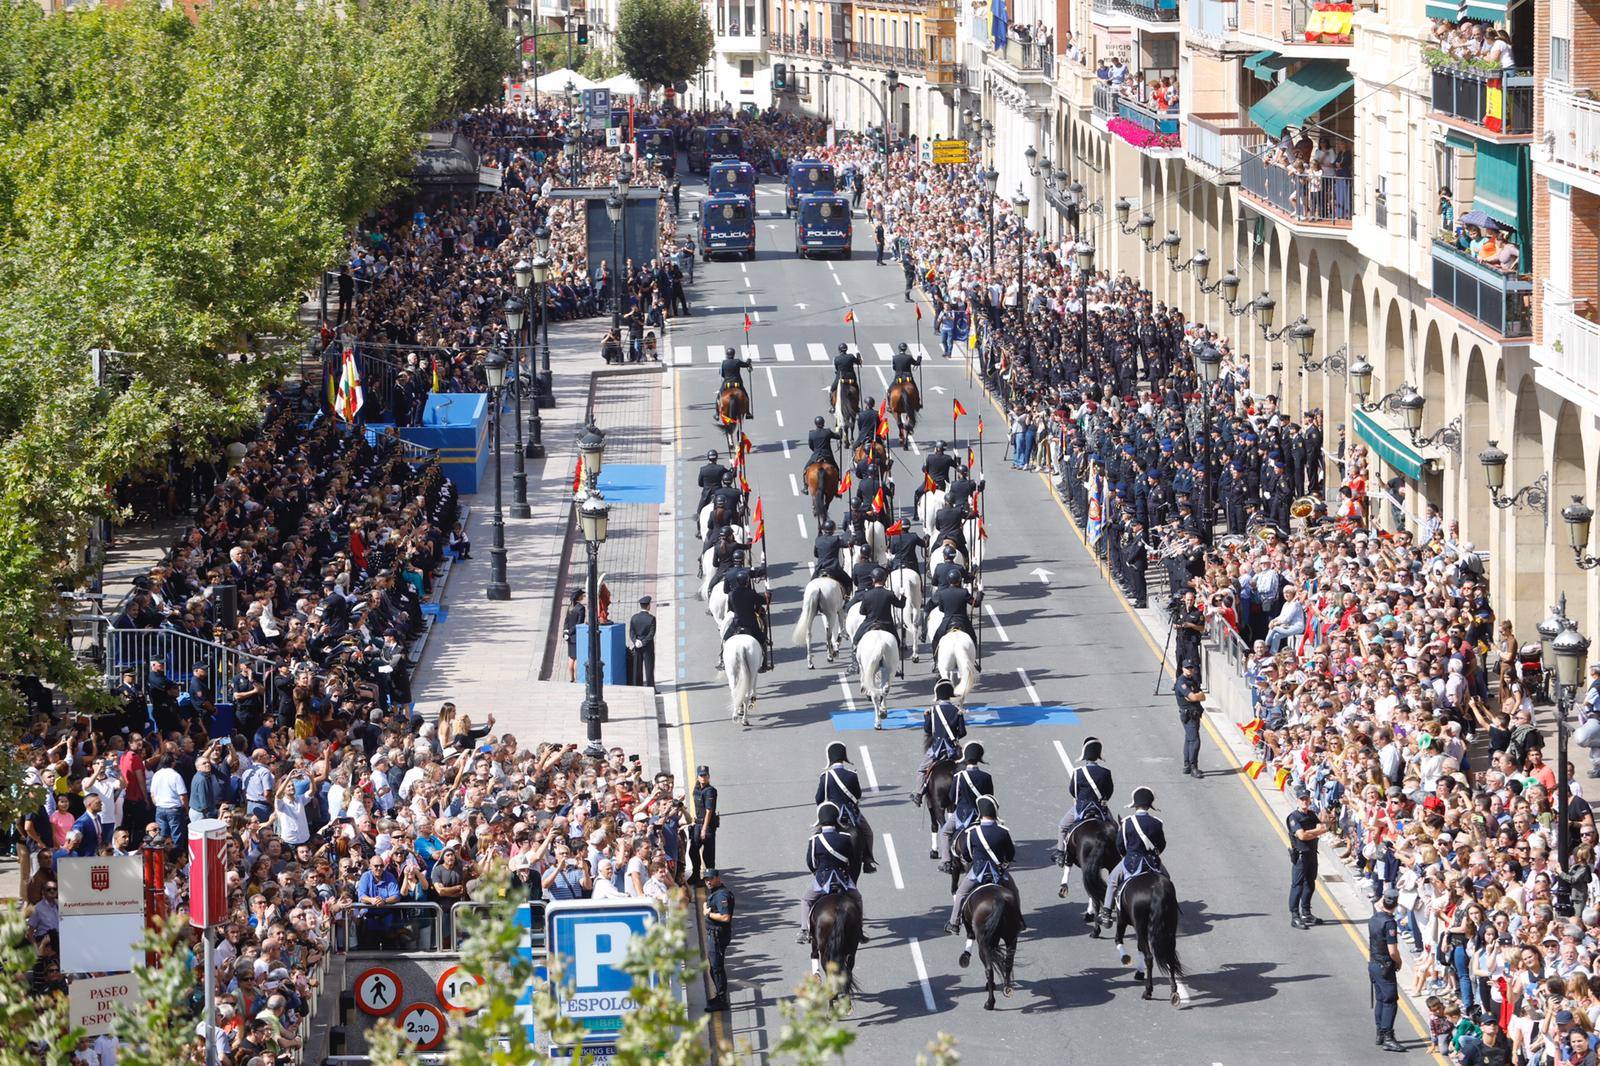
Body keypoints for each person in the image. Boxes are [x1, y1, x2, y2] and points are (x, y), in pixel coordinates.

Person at [946, 795, 1022, 934]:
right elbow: (1010, 854)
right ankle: (1019, 919)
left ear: (980, 812)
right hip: (998, 872)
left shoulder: (972, 832)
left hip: (978, 871)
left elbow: (966, 854)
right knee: (1014, 891)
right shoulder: (1003, 832)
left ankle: (954, 923)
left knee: (961, 893)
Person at [797, 801, 865, 944]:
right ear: (836, 818)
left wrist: (818, 871)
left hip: (822, 879)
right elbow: (851, 860)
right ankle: (859, 930)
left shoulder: (815, 840)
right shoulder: (845, 838)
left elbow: (811, 863)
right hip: (842, 878)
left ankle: (804, 930)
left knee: (806, 900)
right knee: (857, 898)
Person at [1103, 786, 1166, 918]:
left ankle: (1106, 912)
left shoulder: (1126, 823)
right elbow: (1161, 845)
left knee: (1112, 880)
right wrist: (1154, 854)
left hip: (1131, 861)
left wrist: (1125, 854)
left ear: (1134, 804)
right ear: (1150, 805)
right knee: (1167, 880)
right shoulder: (1157, 823)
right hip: (1152, 862)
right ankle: (1171, 907)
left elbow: (1120, 844)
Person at [815, 741, 876, 873]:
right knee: (868, 833)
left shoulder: (825, 777)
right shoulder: (852, 775)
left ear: (829, 757)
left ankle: (815, 863)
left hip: (832, 814)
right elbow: (858, 795)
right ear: (844, 757)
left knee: (816, 837)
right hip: (851, 813)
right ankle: (868, 860)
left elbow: (818, 799)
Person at [939, 741, 994, 870]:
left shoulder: (959, 776)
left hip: (963, 814)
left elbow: (953, 798)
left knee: (945, 832)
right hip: (981, 814)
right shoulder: (986, 777)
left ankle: (946, 861)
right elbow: (989, 798)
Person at [911, 679, 966, 807]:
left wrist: (926, 717)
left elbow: (927, 729)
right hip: (952, 750)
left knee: (921, 770)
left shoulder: (933, 710)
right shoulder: (957, 710)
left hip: (936, 749)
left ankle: (918, 795)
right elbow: (963, 732)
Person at [1368, 886, 1407, 1052]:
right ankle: (1388, 1036)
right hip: (1385, 965)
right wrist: (1399, 962)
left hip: (1373, 963)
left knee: (1381, 999)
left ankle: (1380, 1032)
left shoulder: (1375, 918)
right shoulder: (1389, 923)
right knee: (1390, 1001)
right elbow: (1392, 950)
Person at [1058, 736, 1114, 841]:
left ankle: (1060, 852)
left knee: (1063, 826)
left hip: (1082, 806)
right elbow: (1109, 791)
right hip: (1100, 807)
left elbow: (1073, 791)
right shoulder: (1105, 772)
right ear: (1098, 755)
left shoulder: (1078, 772)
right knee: (1115, 828)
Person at [1286, 785, 1327, 929]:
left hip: (1312, 853)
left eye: (1306, 799)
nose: (1304, 802)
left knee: (1310, 883)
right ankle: (1295, 916)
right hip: (1301, 855)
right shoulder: (1294, 817)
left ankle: (1306, 912)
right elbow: (1301, 835)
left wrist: (1312, 832)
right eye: (1302, 799)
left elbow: (1323, 828)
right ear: (1297, 801)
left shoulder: (1311, 814)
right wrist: (1316, 831)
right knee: (1297, 885)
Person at [925, 569, 980, 652]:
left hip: (947, 622)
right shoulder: (964, 592)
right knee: (973, 638)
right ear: (959, 580)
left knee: (935, 640)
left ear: (948, 580)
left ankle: (936, 662)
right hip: (963, 621)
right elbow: (975, 604)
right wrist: (980, 592)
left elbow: (941, 609)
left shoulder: (942, 593)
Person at [703, 870, 734, 1011]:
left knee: (717, 968)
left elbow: (725, 917)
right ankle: (719, 996)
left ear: (717, 878)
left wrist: (709, 913)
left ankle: (721, 1000)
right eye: (706, 880)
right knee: (714, 968)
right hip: (714, 934)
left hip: (717, 936)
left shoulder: (721, 894)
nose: (708, 882)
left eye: (710, 879)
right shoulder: (716, 892)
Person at [1173, 659, 1206, 779]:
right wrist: (1196, 697)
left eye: (1191, 668)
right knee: (1195, 741)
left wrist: (1197, 697)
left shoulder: (1192, 680)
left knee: (1189, 739)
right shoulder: (1182, 682)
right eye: (1187, 668)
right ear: (1182, 668)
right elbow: (1192, 697)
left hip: (1195, 713)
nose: (1189, 670)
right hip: (1188, 715)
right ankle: (1193, 767)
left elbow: (1202, 696)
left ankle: (1187, 765)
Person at [690, 765, 719, 884]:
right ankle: (696, 874)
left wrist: (704, 829)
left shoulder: (710, 791)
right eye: (701, 775)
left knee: (708, 855)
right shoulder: (697, 788)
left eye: (705, 775)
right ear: (697, 776)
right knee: (693, 851)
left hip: (706, 826)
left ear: (709, 776)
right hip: (697, 824)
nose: (703, 778)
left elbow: (709, 811)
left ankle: (710, 879)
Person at [812, 520, 850, 595]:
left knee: (811, 584)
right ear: (833, 529)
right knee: (848, 581)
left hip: (820, 568)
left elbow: (816, 554)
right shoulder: (835, 539)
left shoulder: (818, 540)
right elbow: (846, 544)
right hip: (834, 568)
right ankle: (847, 597)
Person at [719, 346, 755, 418]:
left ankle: (717, 414)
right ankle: (747, 413)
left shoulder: (723, 363)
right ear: (733, 354)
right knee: (746, 396)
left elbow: (722, 374)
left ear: (727, 355)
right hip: (737, 383)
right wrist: (749, 359)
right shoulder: (737, 361)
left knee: (718, 396)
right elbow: (746, 364)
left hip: (726, 384)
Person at [628, 596, 656, 689]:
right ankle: (651, 687)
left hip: (637, 646)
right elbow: (651, 634)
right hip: (648, 647)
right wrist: (643, 642)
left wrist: (636, 641)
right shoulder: (651, 619)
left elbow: (631, 632)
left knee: (637, 668)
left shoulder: (634, 618)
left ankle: (637, 686)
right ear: (648, 606)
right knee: (649, 668)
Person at [831, 343, 861, 414]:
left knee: (832, 389)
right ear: (846, 349)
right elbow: (859, 362)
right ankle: (857, 406)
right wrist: (858, 354)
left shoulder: (836, 359)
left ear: (839, 350)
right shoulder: (851, 356)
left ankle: (833, 407)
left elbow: (835, 370)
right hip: (851, 379)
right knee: (856, 389)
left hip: (840, 379)